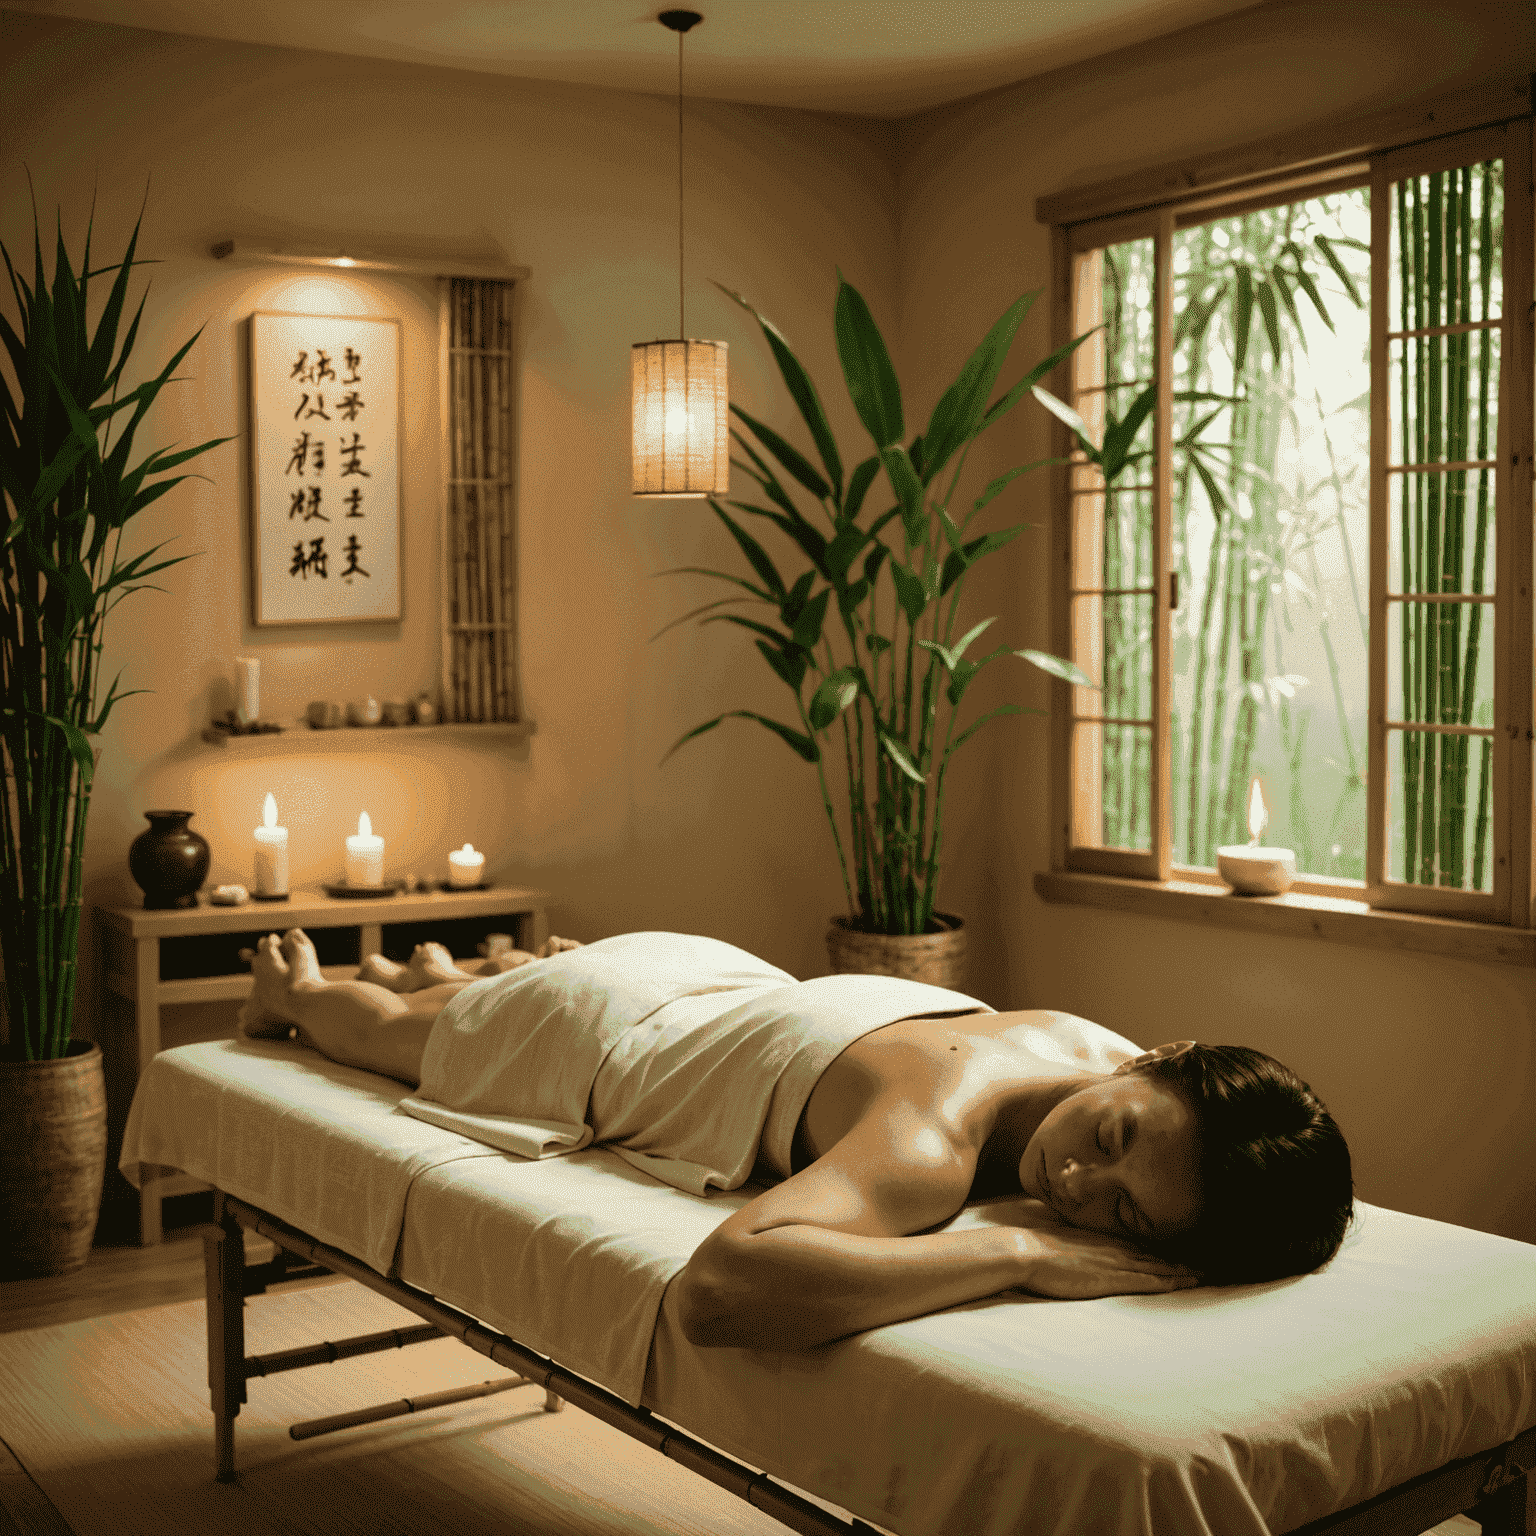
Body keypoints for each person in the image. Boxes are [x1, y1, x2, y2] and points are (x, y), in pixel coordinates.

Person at [238, 928, 1354, 1351]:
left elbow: (1274, 1159)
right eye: (1111, 1141)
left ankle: (457, 970)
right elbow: (720, 1289)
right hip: (603, 1029)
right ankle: (293, 990)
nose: (1074, 1178)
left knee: (448, 996)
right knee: (376, 1030)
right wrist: (1019, 1253)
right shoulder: (926, 1147)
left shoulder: (1102, 1049)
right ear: (1157, 1059)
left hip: (710, 970)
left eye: (1121, 1214)